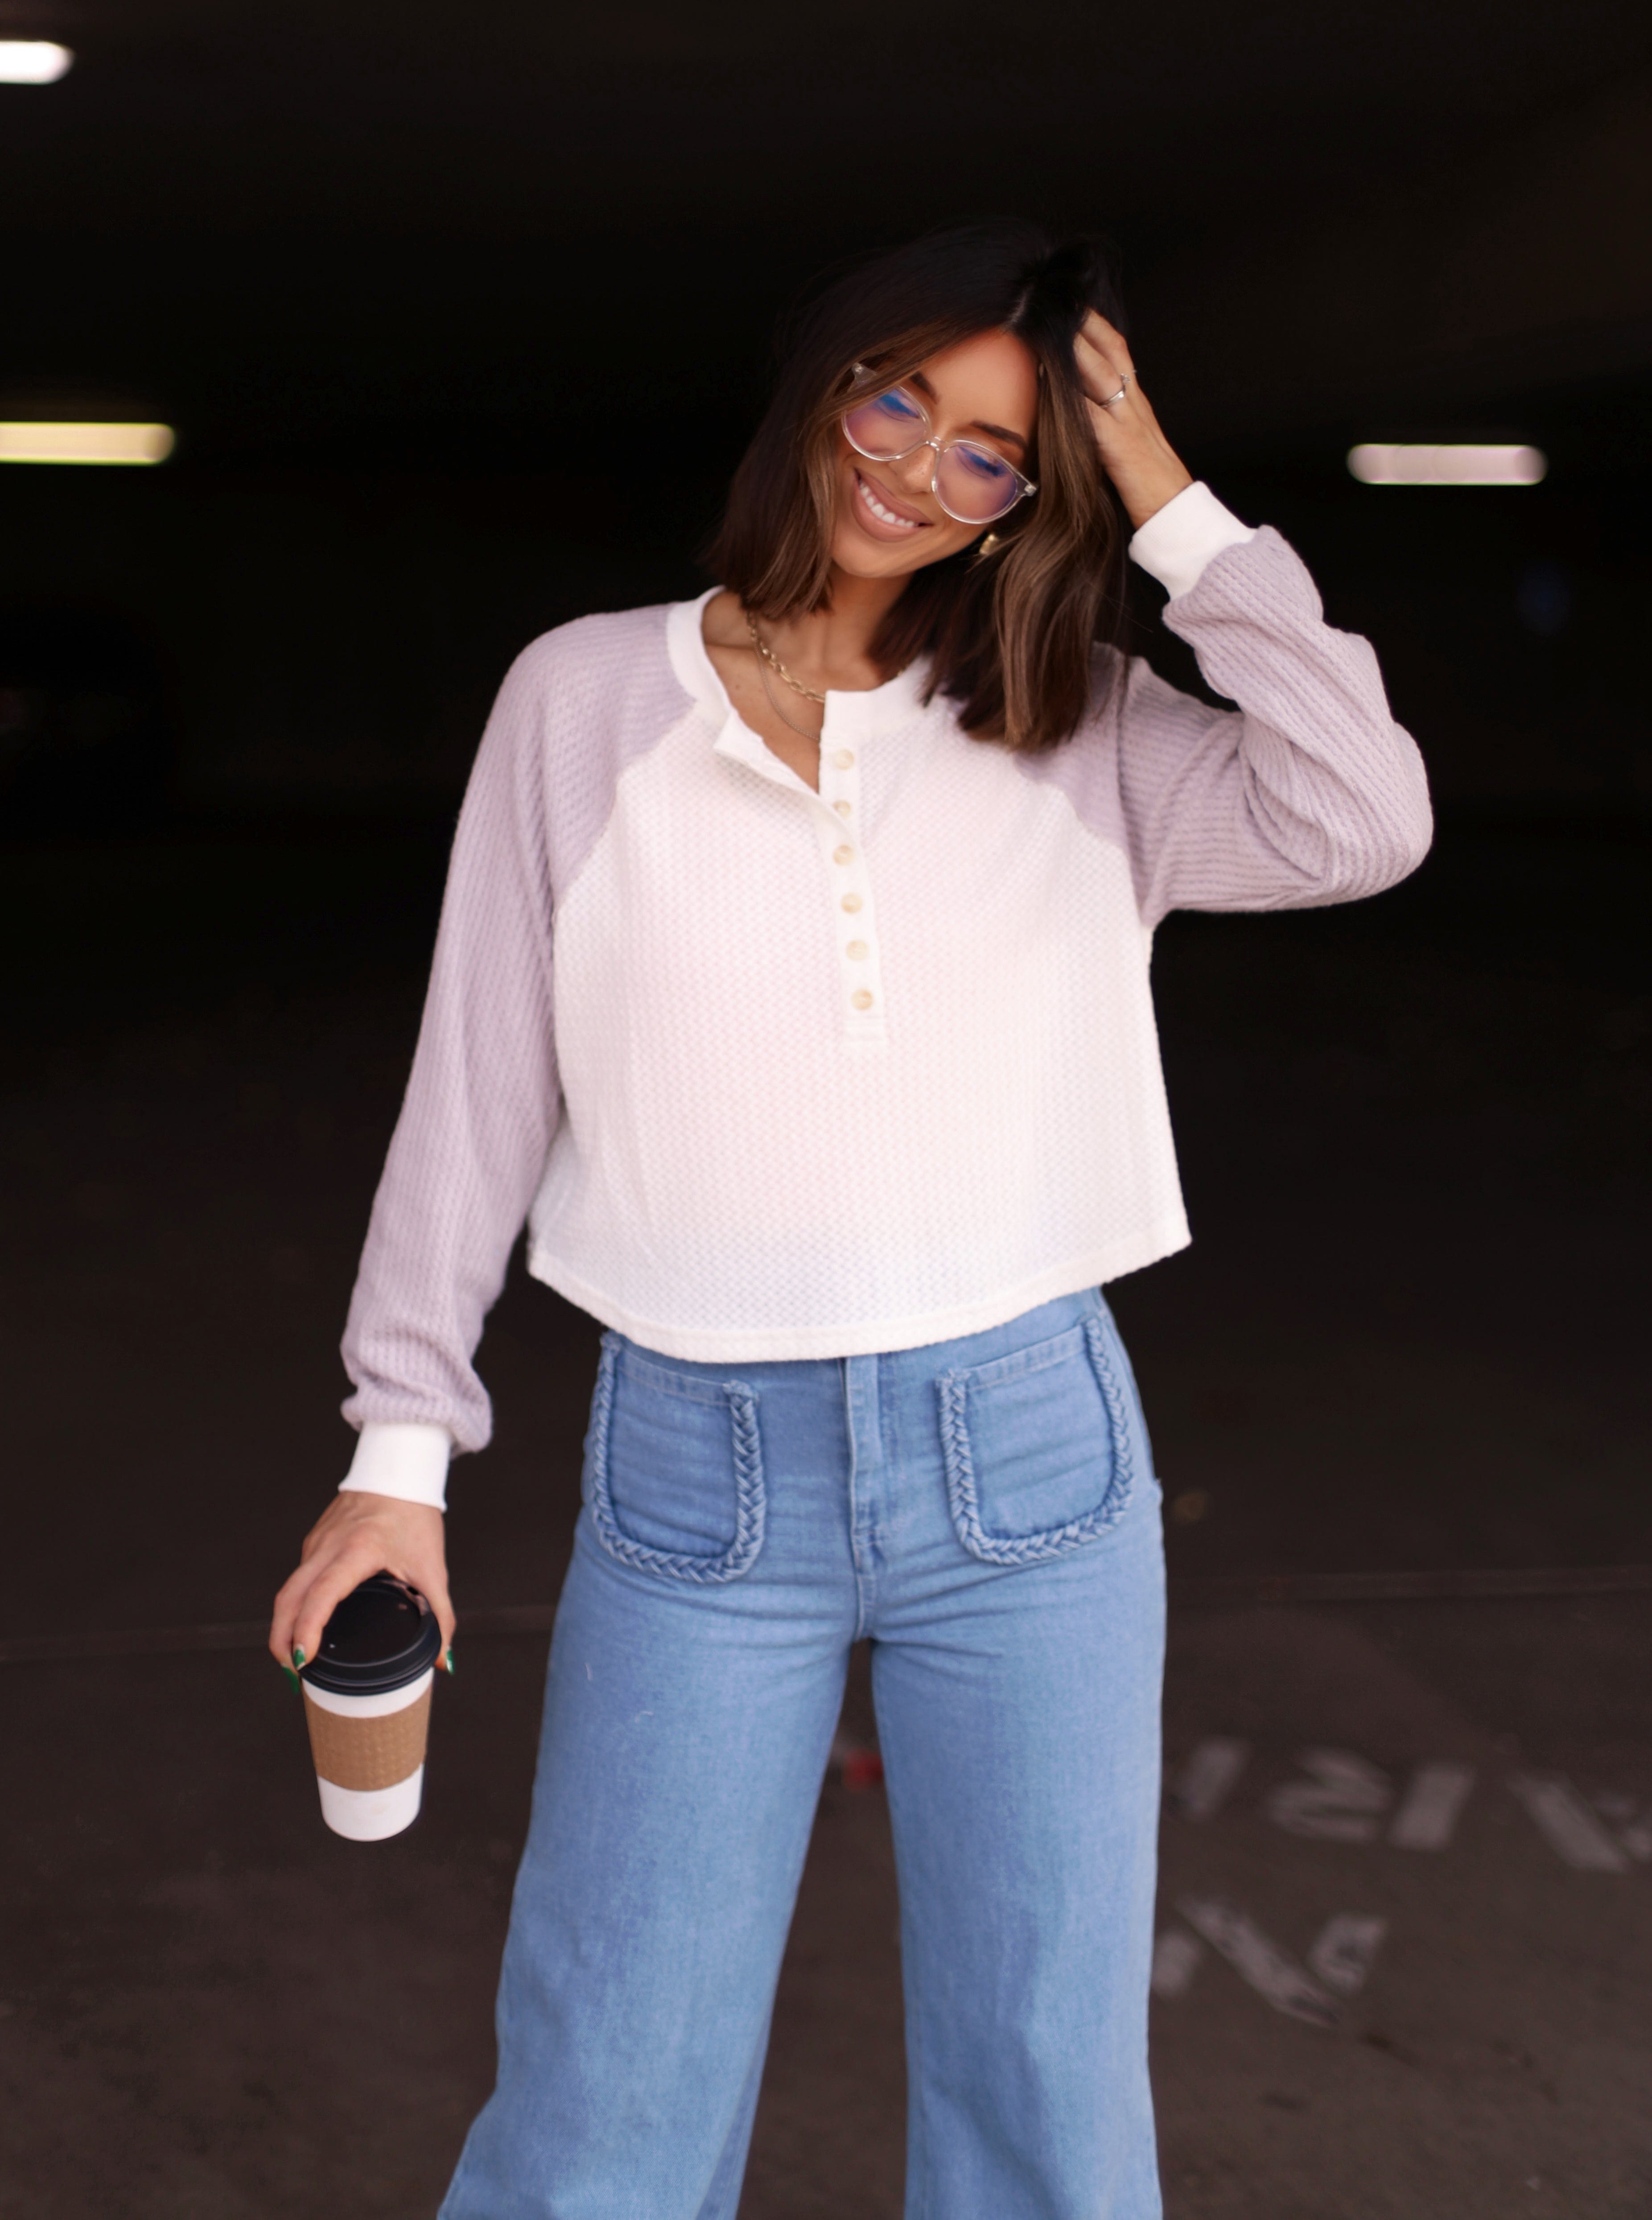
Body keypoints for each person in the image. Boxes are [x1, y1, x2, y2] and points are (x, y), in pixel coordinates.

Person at [271, 220, 1431, 2219]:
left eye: (993, 450)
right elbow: (475, 1088)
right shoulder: (578, 702)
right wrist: (397, 1456)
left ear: (1023, 503)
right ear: (823, 387)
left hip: (1034, 1452)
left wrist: (1159, 497)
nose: (917, 464)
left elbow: (1360, 816)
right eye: (898, 397)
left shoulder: (1076, 719)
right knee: (604, 2078)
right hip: (698, 1468)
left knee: (1042, 2082)